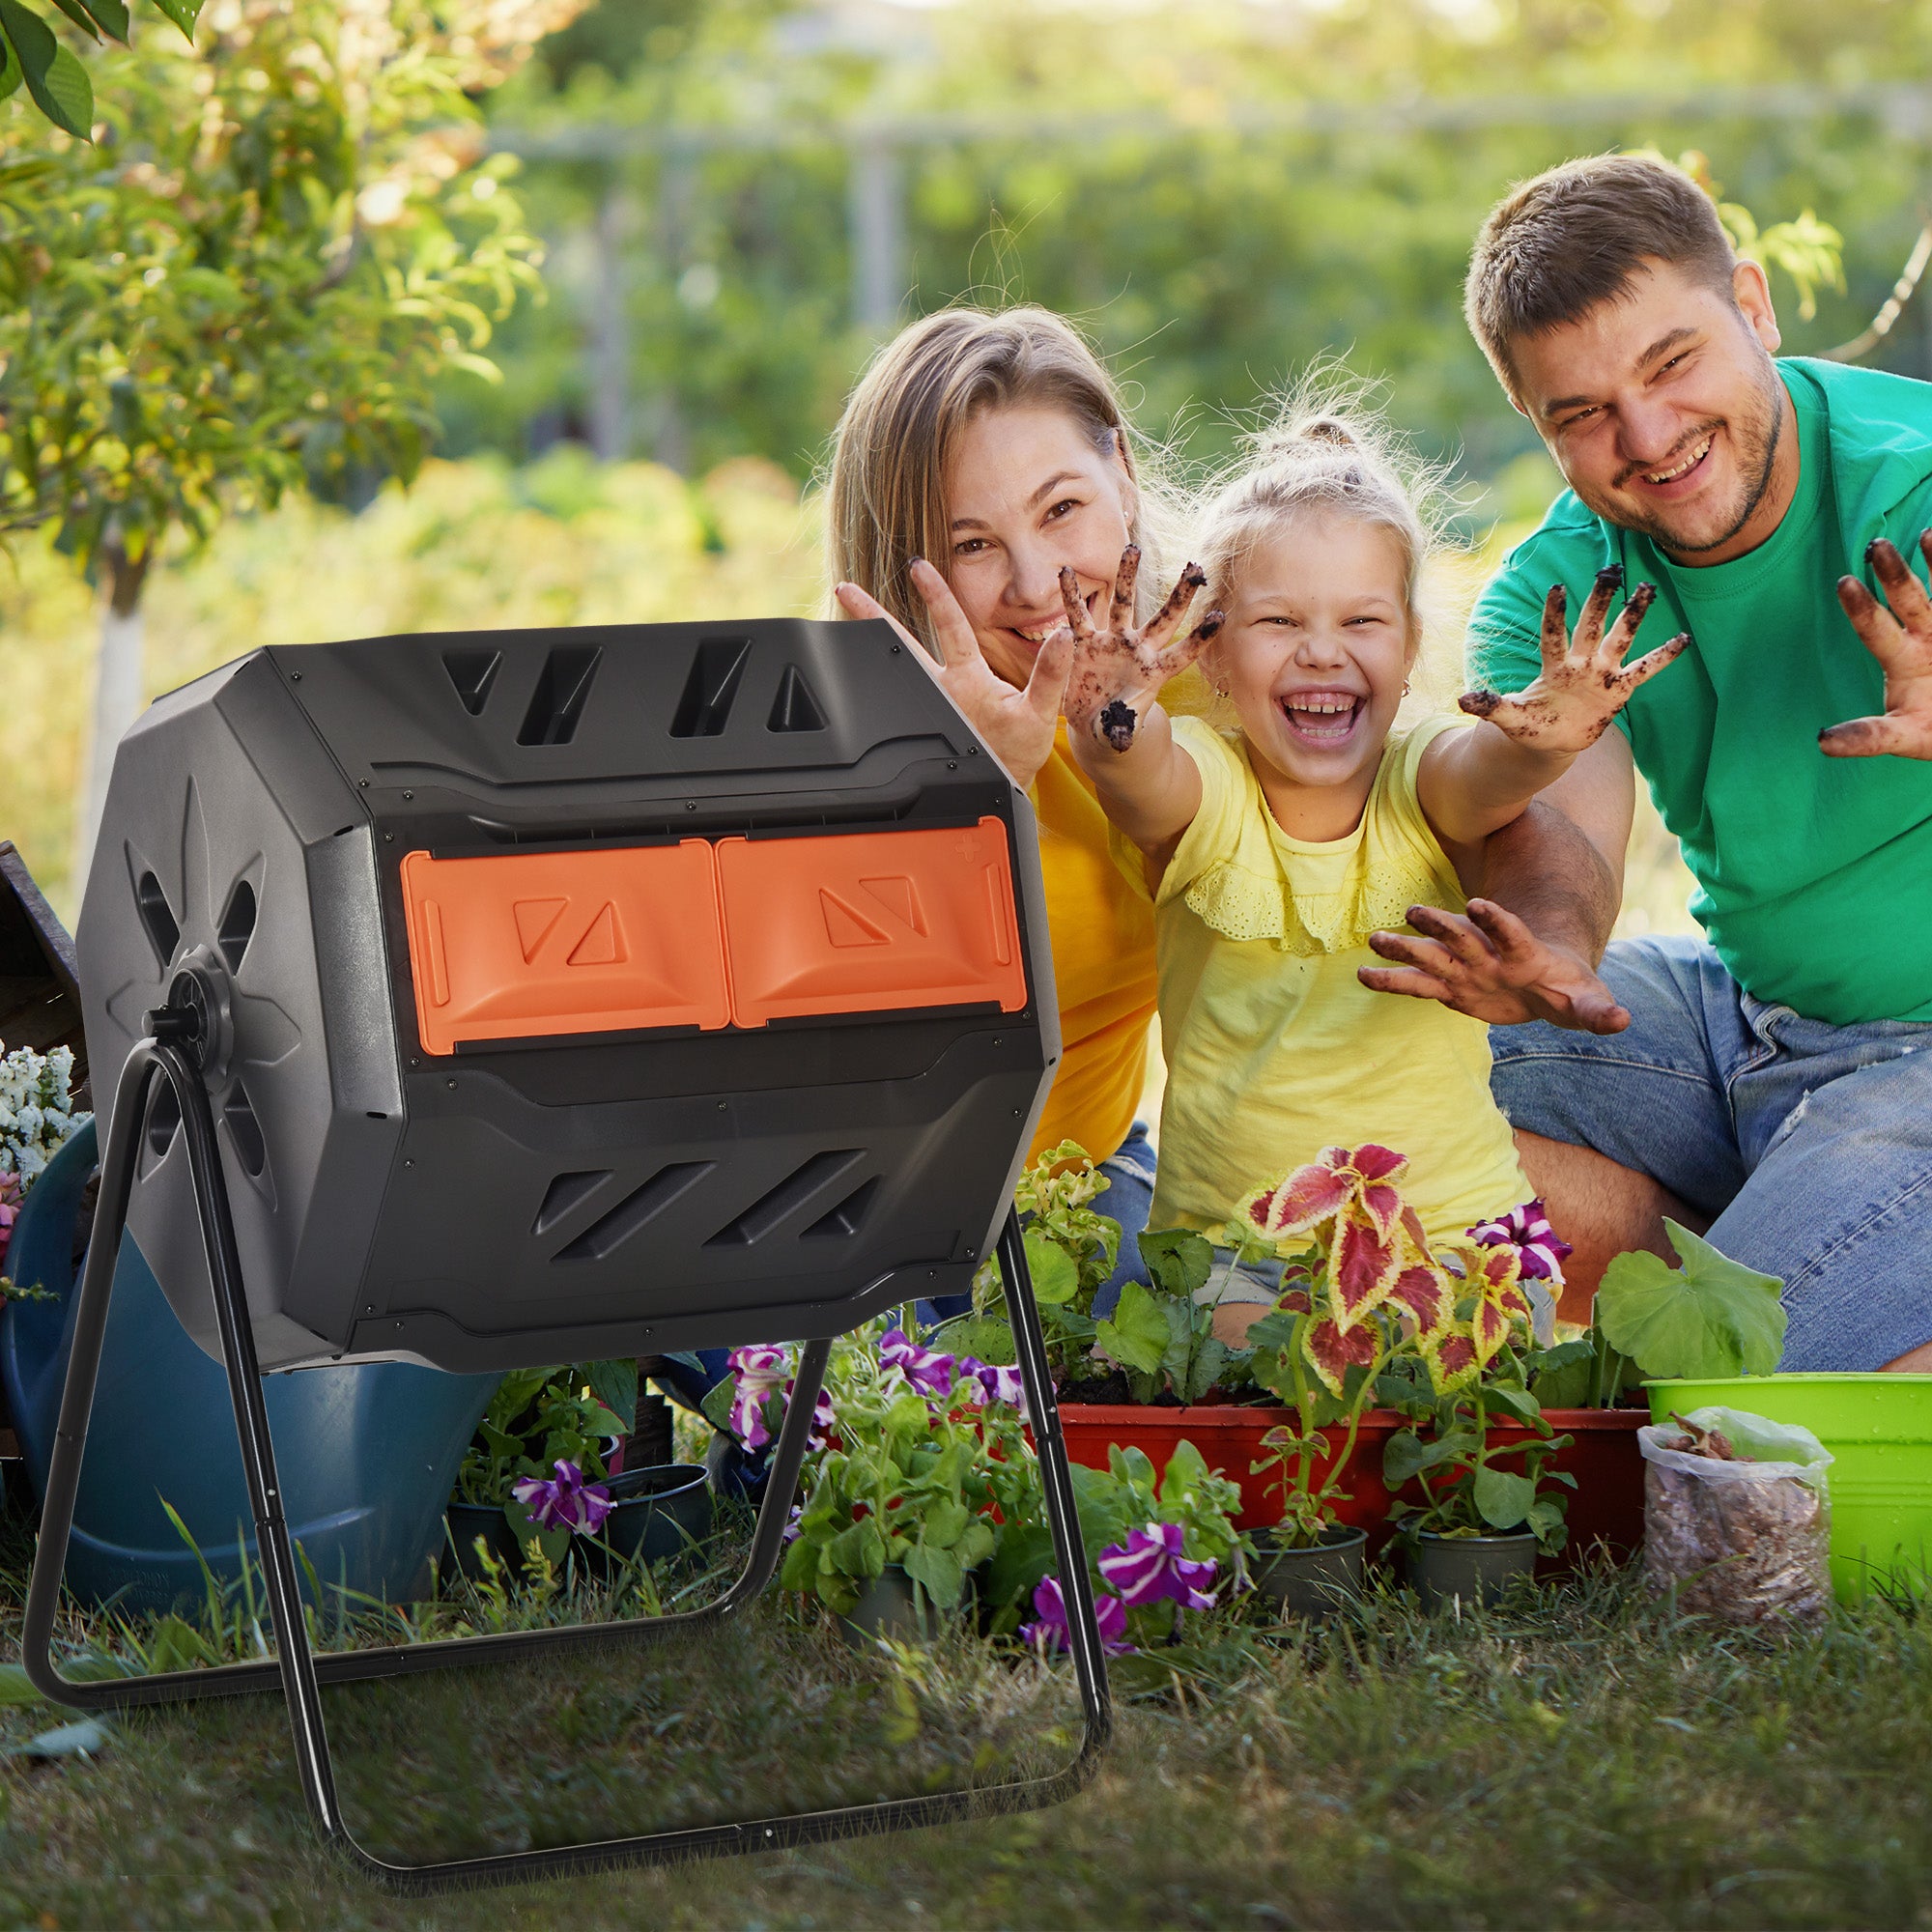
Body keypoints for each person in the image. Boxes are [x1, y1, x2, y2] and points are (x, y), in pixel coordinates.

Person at [1361, 153, 1932, 1370]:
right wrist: (1551, 952)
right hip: (1748, 1022)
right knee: (1352, 1083)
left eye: (1671, 364)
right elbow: (1557, 831)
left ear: (1754, 305)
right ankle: (1818, 1255)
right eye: (1581, 413)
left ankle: (1795, 1290)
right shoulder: (1557, 592)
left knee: (1724, 1405)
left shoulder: (1913, 479)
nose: (1648, 437)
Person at [1052, 402, 1681, 1340]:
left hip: (1456, 1245)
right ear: (1213, 654)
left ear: (1407, 648)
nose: (1321, 647)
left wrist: (1547, 739)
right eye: (1277, 620)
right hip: (1236, 1258)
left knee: (1487, 1415)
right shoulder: (1213, 786)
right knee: (1246, 1364)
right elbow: (1141, 780)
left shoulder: (1418, 772)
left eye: (1360, 619)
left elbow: (1484, 773)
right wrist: (1109, 713)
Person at [826, 305, 1203, 1310]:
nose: (1036, 584)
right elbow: (875, 1074)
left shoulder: (1207, 680)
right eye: (972, 543)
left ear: (1121, 473)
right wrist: (971, 805)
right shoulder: (853, 738)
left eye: (1060, 510)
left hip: (1086, 1187)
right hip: (877, 1217)